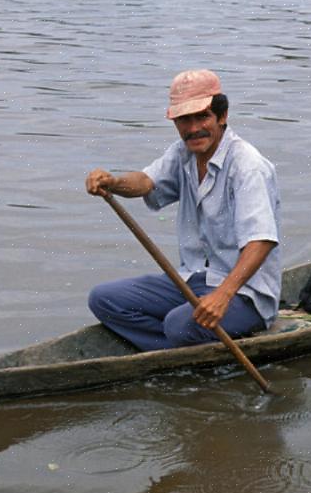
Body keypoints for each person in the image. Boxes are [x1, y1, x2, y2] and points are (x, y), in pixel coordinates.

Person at [85, 69, 281, 351]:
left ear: (222, 116)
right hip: (194, 279)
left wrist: (223, 296)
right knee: (103, 299)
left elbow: (261, 240)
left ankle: (176, 343)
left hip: (245, 293)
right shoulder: (183, 153)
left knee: (179, 324)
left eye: (202, 117)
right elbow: (145, 182)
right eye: (183, 120)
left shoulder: (247, 166)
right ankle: (175, 350)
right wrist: (113, 182)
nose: (193, 129)